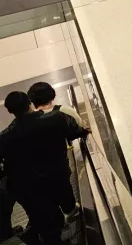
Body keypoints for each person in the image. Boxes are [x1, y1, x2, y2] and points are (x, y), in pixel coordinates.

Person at [0, 91, 88, 245]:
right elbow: (74, 132)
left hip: (30, 189)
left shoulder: (4, 137)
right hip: (57, 178)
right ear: (29, 103)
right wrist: (84, 130)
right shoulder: (55, 118)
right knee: (65, 208)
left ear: (10, 111)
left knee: (47, 226)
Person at [27, 83, 84, 221]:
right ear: (52, 95)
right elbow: (80, 126)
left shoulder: (29, 120)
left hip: (38, 170)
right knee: (64, 189)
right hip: (59, 164)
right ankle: (70, 212)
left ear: (32, 100)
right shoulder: (63, 110)